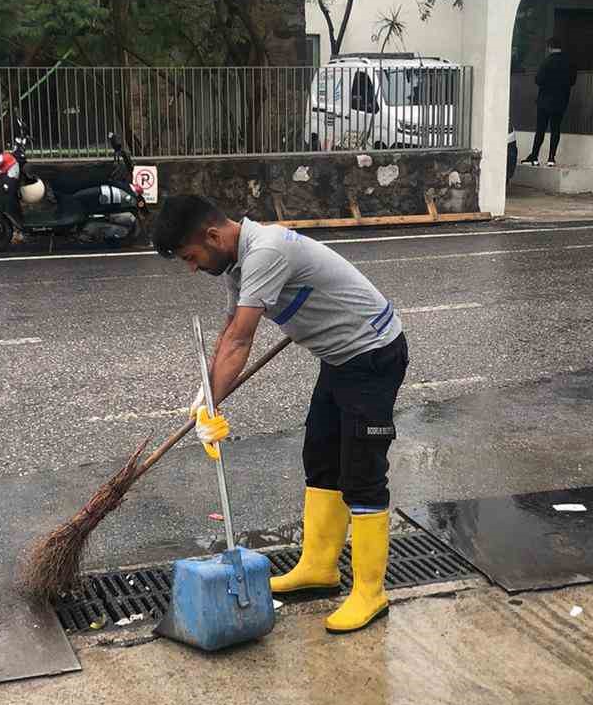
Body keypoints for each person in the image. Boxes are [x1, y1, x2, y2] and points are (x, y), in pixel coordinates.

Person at [153, 194, 409, 633]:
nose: (192, 268)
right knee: (321, 459)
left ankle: (371, 593)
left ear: (212, 236)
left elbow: (241, 340)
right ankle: (319, 567)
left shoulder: (266, 252)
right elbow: (230, 330)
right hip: (339, 358)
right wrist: (205, 397)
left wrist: (212, 405)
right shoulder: (237, 263)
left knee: (361, 473)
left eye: (190, 257)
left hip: (371, 356)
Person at [521, 37, 577, 165]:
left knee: (540, 129)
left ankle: (534, 156)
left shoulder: (546, 62)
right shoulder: (569, 62)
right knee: (555, 129)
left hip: (545, 101)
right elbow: (572, 81)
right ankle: (551, 158)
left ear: (549, 47)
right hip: (561, 101)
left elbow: (538, 80)